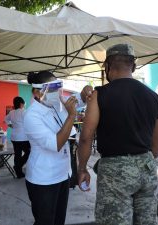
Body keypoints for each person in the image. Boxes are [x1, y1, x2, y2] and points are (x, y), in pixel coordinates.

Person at [77, 44, 158, 225]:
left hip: (114, 170)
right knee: (147, 220)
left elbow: (86, 137)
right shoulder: (153, 96)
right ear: (133, 66)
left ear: (107, 66)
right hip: (146, 167)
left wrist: (82, 168)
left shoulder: (100, 95)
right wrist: (148, 160)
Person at [23, 71, 92, 225]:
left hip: (62, 175)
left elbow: (80, 98)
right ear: (37, 92)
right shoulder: (31, 116)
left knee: (59, 220)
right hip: (43, 179)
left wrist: (87, 89)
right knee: (45, 221)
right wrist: (71, 116)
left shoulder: (56, 104)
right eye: (51, 89)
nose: (56, 93)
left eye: (57, 88)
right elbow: (56, 144)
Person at [5, 96, 30, 178]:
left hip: (14, 137)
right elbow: (29, 123)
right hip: (23, 137)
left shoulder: (12, 112)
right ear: (21, 104)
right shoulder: (24, 112)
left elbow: (6, 119)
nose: (24, 105)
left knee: (17, 154)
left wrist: (10, 125)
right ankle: (18, 167)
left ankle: (18, 171)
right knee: (29, 152)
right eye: (24, 103)